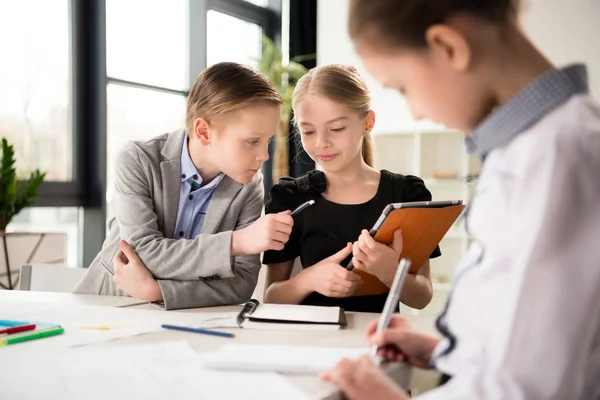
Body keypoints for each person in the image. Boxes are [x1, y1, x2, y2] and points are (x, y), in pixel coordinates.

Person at [323, 0, 600, 398]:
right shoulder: (536, 148)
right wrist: (448, 355)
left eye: (402, 88)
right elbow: (531, 337)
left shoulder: (558, 159)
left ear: (449, 47)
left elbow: (527, 390)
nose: (414, 113)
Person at [73, 62, 295, 310]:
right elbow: (144, 252)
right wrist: (236, 242)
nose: (264, 155)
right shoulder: (138, 160)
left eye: (267, 141)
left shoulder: (248, 185)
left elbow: (241, 283)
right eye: (252, 141)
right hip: (106, 308)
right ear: (204, 132)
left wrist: (158, 291)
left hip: (188, 321)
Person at [262, 64, 440, 313]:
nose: (322, 143)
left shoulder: (406, 195)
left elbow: (422, 297)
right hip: (308, 344)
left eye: (336, 129)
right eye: (308, 131)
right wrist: (308, 280)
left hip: (376, 343)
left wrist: (391, 272)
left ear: (368, 122)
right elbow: (271, 298)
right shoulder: (290, 198)